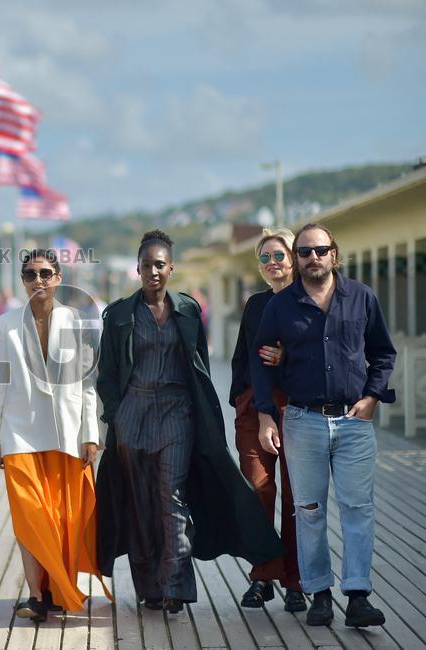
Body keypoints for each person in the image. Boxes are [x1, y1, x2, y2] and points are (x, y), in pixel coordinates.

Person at [96, 229, 281, 614]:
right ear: (138, 268)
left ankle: (175, 586)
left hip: (177, 410)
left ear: (171, 268)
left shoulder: (188, 310)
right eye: (146, 265)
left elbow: (199, 366)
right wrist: (116, 414)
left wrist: (205, 414)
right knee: (142, 504)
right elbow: (107, 374)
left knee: (172, 497)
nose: (153, 272)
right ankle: (149, 586)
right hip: (133, 416)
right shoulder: (118, 315)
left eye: (160, 264)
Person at [252, 223, 396, 628]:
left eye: (320, 250)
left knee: (357, 508)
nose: (312, 258)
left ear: (335, 254)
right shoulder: (280, 307)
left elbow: (384, 353)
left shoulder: (362, 298)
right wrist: (265, 414)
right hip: (302, 421)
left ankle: (357, 595)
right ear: (296, 260)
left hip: (353, 422)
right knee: (309, 510)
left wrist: (371, 397)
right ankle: (319, 594)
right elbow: (258, 363)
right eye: (303, 252)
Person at [0, 249, 106, 623]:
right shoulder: (5, 324)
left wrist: (91, 434)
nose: (37, 279)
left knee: (62, 517)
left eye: (44, 272)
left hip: (67, 434)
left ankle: (55, 588)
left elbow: (87, 384)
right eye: (29, 274)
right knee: (29, 515)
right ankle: (36, 595)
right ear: (23, 281)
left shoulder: (76, 321)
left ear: (58, 277)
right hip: (19, 434)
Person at [229, 227, 305, 612]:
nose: (273, 263)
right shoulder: (255, 305)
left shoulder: (310, 301)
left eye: (279, 255)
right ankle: (263, 575)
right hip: (254, 409)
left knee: (296, 498)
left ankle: (294, 580)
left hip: (297, 408)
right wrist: (247, 405)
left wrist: (287, 359)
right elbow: (244, 356)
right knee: (258, 490)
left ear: (294, 257)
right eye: (265, 258)